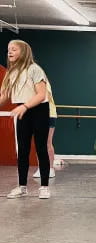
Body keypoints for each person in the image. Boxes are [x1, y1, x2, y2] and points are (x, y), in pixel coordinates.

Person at [0, 40, 51, 199]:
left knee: (41, 148)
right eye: (8, 49)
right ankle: (22, 186)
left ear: (23, 52)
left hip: (38, 110)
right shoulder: (11, 73)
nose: (10, 52)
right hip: (22, 111)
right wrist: (22, 107)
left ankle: (44, 187)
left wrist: (25, 106)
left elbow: (41, 95)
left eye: (14, 49)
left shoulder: (34, 69)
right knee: (22, 150)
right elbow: (4, 95)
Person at [33, 80, 57, 179]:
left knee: (47, 143)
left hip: (49, 114)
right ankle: (41, 168)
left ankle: (50, 169)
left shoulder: (42, 82)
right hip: (38, 116)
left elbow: (42, 98)